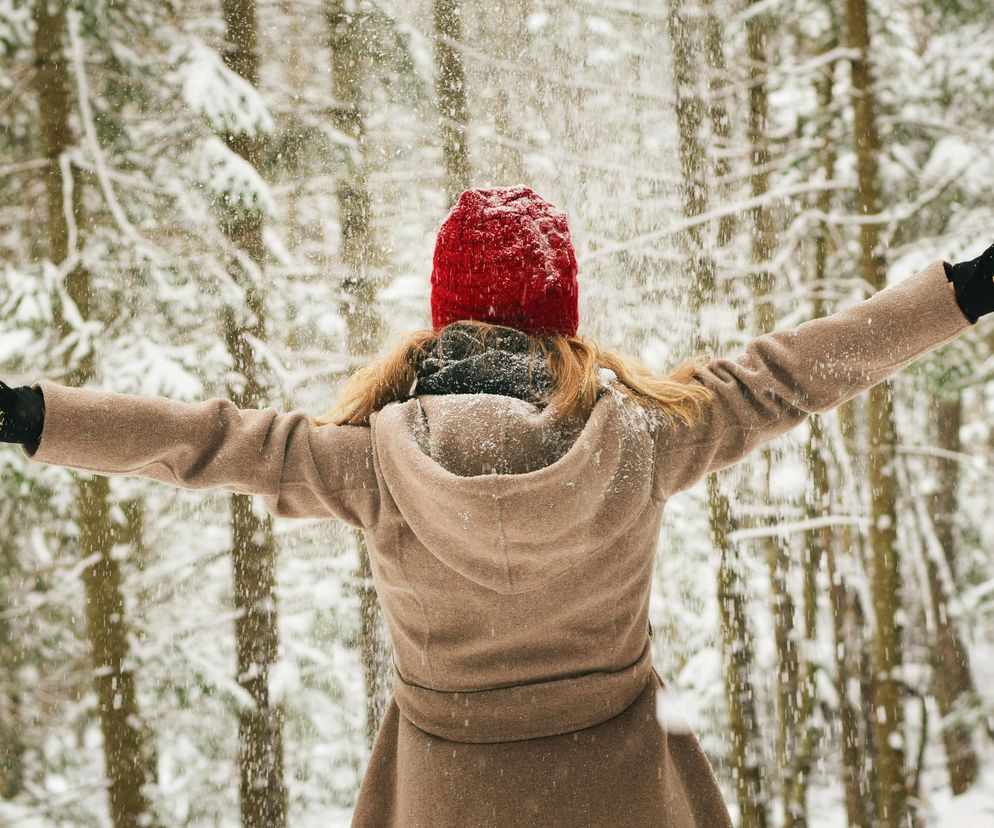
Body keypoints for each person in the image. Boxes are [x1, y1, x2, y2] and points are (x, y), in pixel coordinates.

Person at [1, 186, 991, 827]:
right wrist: (966, 291)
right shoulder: (644, 439)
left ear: (444, 313)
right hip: (625, 798)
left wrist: (32, 415)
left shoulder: (371, 463)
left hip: (447, 800)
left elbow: (202, 441)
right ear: (562, 315)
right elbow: (792, 377)